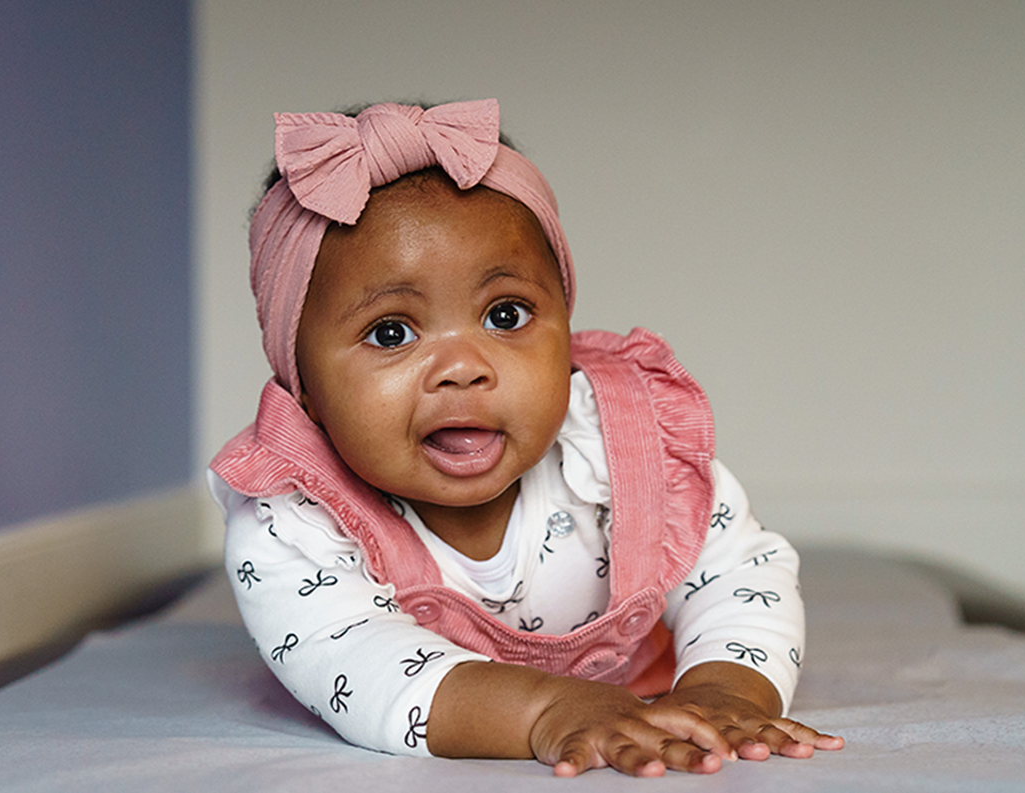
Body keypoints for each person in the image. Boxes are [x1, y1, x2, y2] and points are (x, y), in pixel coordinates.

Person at [207, 99, 843, 777]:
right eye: (391, 331)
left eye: (505, 315)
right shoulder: (292, 519)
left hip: (649, 683)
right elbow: (361, 664)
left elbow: (740, 571)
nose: (463, 367)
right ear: (301, 384)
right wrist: (545, 710)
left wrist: (724, 689)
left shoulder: (619, 441)